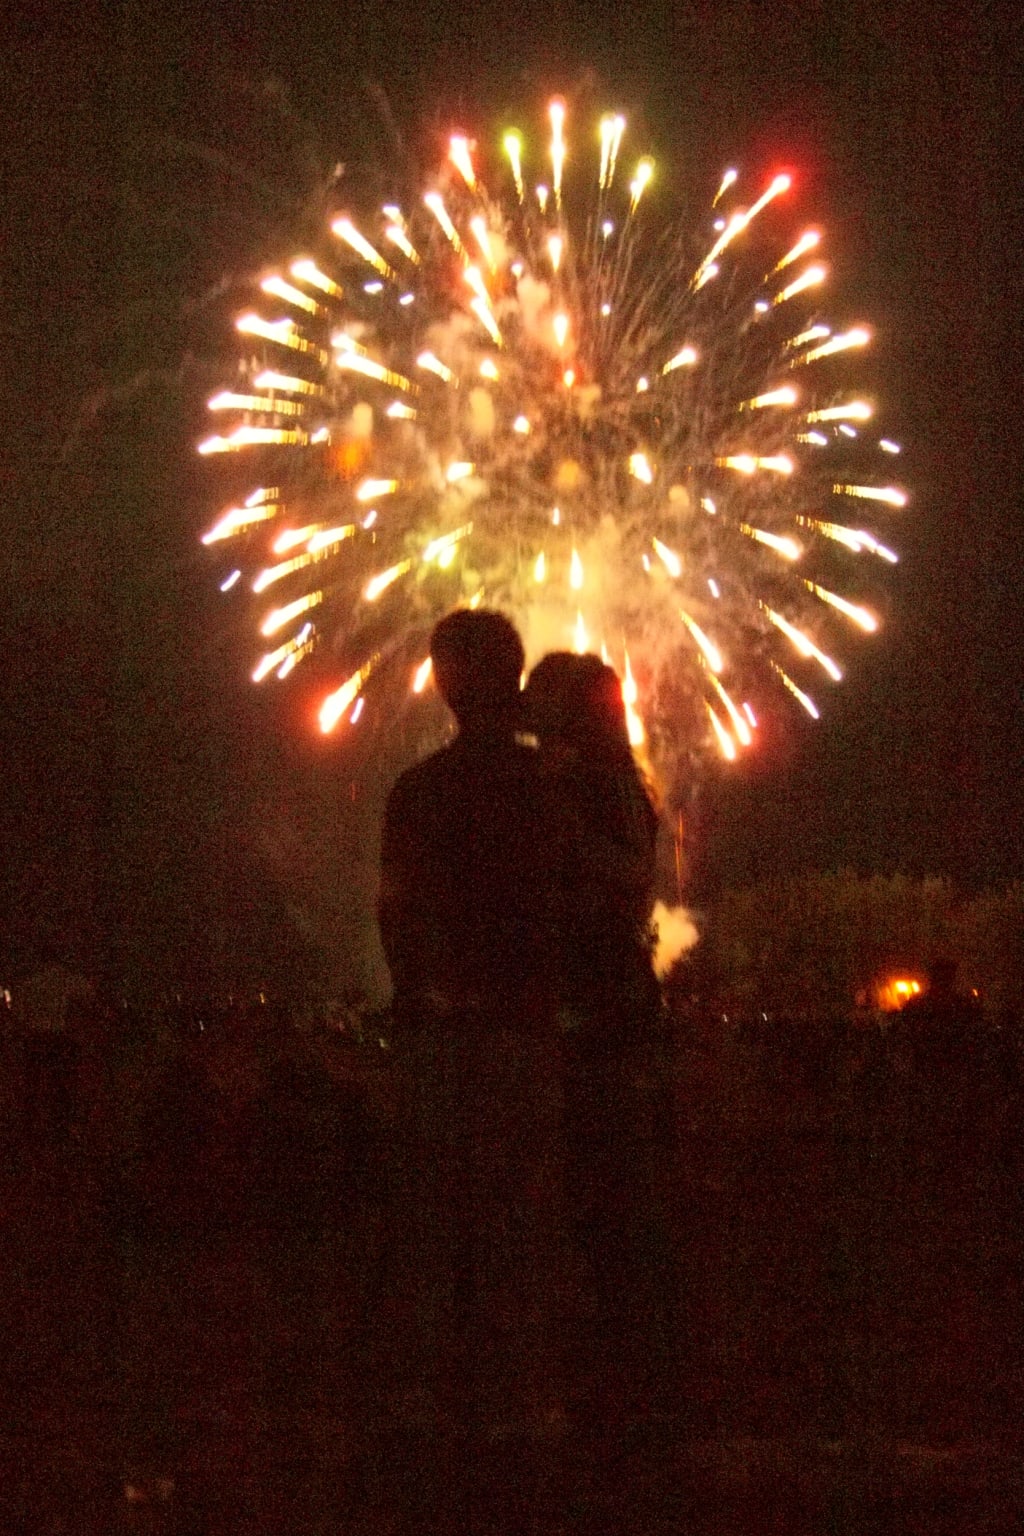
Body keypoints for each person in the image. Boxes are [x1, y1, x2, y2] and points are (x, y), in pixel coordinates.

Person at [375, 608, 566, 1445]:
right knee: (517, 1217)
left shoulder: (420, 791)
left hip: (445, 1031)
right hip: (525, 1028)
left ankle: (434, 1391)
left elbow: (395, 910)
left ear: (445, 683)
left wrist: (419, 993)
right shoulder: (548, 788)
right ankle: (516, 1395)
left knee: (435, 1214)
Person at [523, 652, 677, 1429]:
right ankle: (620, 1333)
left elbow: (621, 878)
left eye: (542, 698)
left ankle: (617, 1340)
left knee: (598, 1164)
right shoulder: (611, 779)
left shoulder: (592, 784)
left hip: (594, 1002)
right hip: (602, 1000)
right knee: (603, 1167)